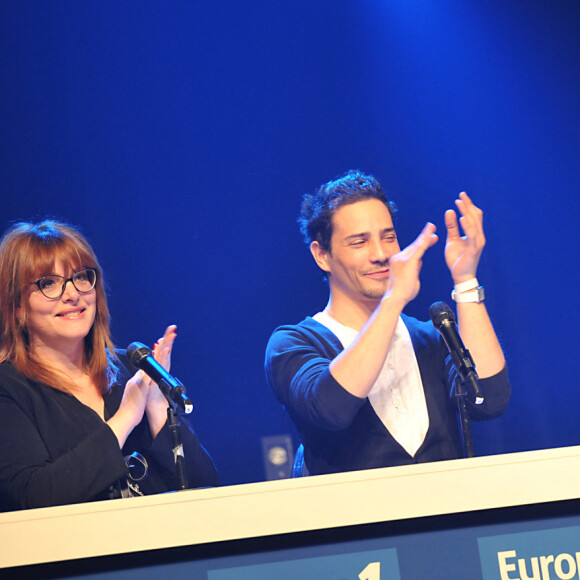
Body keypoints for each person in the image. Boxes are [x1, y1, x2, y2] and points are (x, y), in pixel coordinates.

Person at [265, 170, 510, 476]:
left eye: (388, 237)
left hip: (448, 519)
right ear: (322, 255)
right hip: (355, 521)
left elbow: (489, 400)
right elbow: (332, 408)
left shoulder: (428, 337)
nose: (381, 254)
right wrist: (393, 300)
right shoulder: (293, 343)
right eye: (359, 242)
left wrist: (465, 280)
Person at [0, 220, 218, 511]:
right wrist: (127, 415)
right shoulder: (9, 388)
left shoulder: (133, 367)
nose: (72, 294)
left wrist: (155, 405)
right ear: (16, 306)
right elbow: (36, 496)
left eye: (81, 277)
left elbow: (206, 487)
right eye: (49, 283)